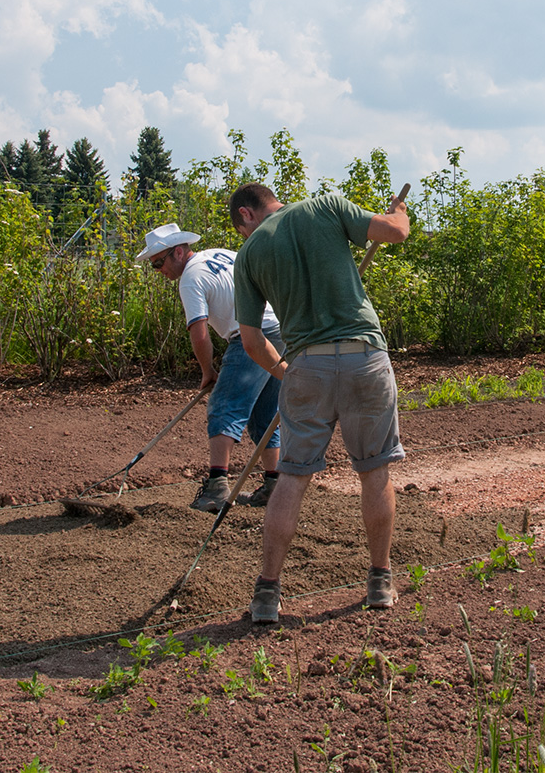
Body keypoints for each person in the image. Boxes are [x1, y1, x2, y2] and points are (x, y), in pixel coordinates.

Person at [226, 183, 410, 624]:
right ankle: (380, 581)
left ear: (247, 214)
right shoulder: (326, 206)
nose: (243, 235)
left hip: (306, 363)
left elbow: (251, 342)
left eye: (239, 228)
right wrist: (400, 211)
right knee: (374, 470)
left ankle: (266, 594)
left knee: (292, 476)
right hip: (365, 357)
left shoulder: (249, 255)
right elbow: (395, 232)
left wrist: (287, 373)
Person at [136, 223, 284, 512]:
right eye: (153, 265)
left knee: (224, 407)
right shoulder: (221, 254)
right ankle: (274, 484)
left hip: (251, 335)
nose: (158, 271)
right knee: (264, 413)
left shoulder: (190, 278)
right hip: (279, 331)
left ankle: (217, 488)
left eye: (158, 263)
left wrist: (208, 371)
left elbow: (199, 332)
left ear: (178, 252)